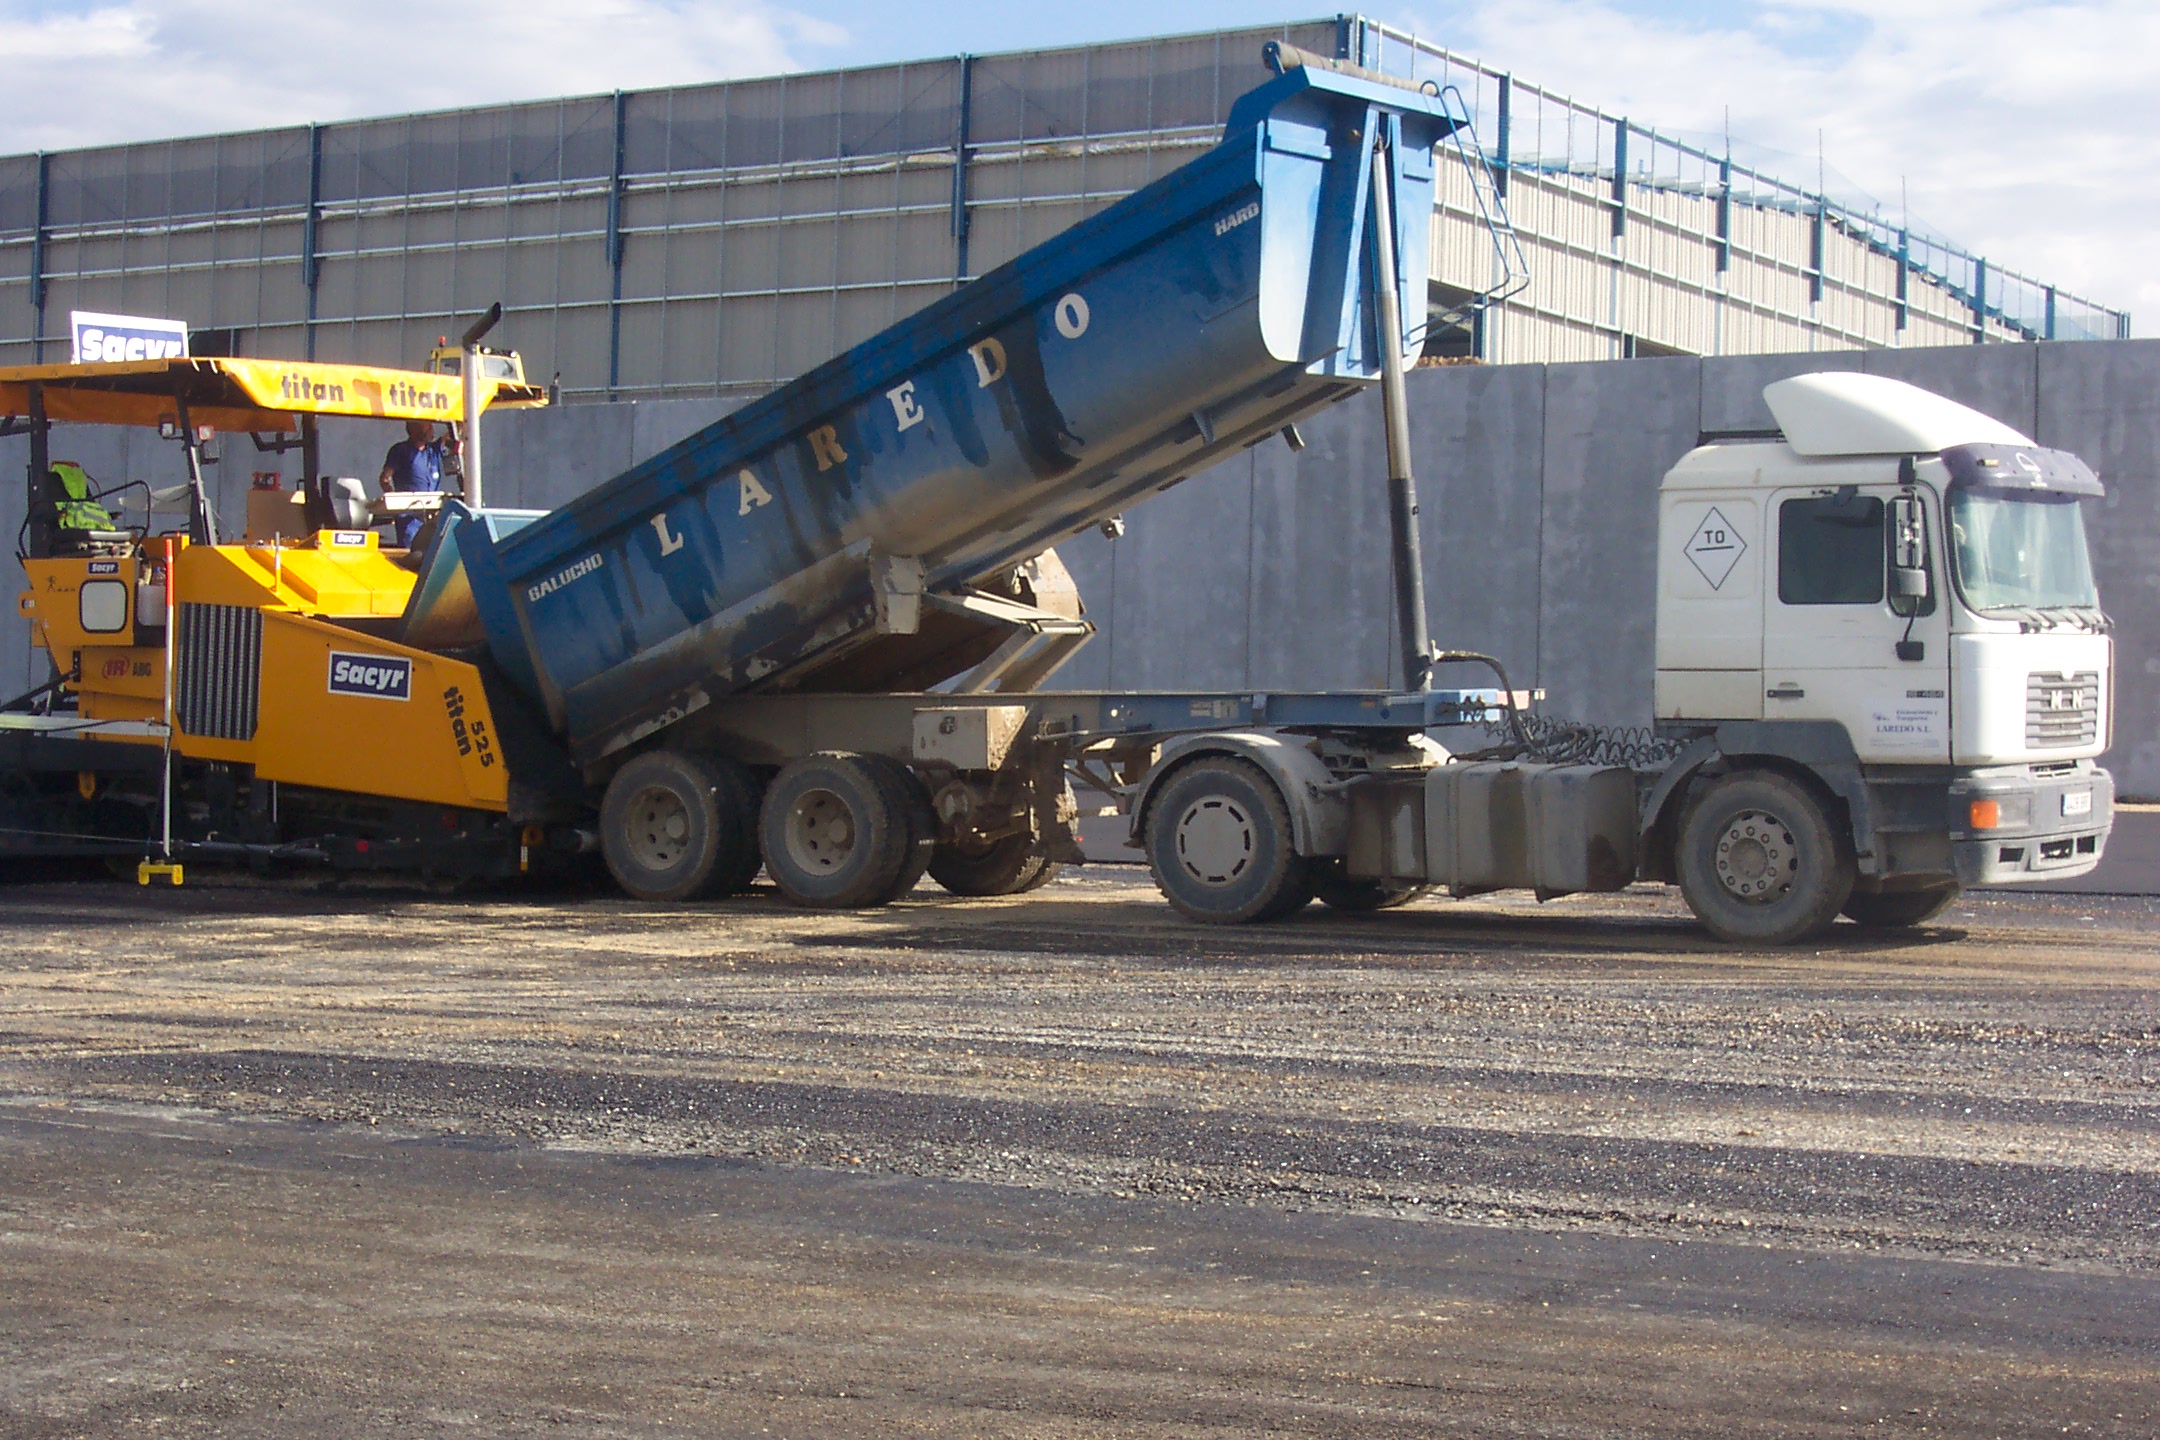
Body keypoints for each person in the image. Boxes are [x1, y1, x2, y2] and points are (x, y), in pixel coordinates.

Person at [378, 419, 446, 548]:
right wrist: (395, 500)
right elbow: (385, 478)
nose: (432, 431)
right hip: (409, 517)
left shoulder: (433, 451)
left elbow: (456, 430)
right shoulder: (400, 450)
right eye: (428, 427)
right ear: (415, 430)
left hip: (432, 517)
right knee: (411, 551)